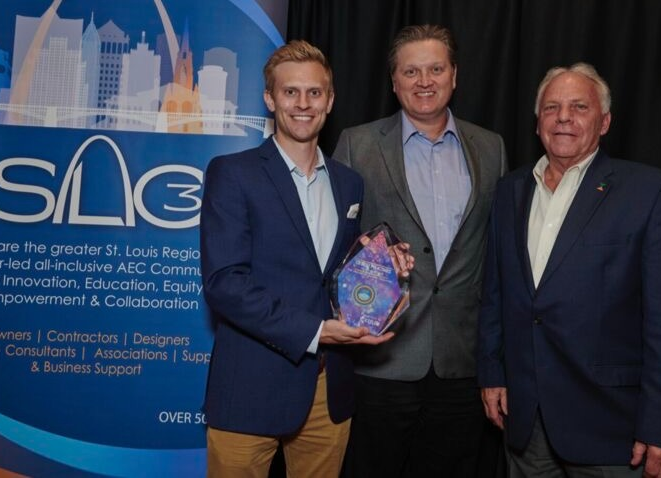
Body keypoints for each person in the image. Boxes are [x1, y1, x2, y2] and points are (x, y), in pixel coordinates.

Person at [477, 62, 661, 477]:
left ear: (605, 122)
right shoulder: (510, 190)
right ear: (537, 122)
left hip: (613, 428)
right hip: (527, 421)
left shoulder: (652, 193)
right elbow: (497, 292)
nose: (563, 117)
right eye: (551, 108)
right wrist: (492, 372)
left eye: (579, 107)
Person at [200, 40, 412, 478]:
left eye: (314, 93)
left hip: (328, 391)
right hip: (250, 387)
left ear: (330, 100)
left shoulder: (348, 183)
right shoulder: (232, 173)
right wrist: (316, 331)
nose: (302, 104)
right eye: (290, 92)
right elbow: (225, 282)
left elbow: (335, 274)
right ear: (269, 98)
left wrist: (382, 264)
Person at [333, 24, 508, 477]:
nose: (424, 81)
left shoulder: (491, 148)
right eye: (410, 71)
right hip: (383, 354)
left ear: (454, 75)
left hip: (461, 360)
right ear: (393, 81)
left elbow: (497, 254)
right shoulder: (357, 143)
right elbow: (332, 245)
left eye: (435, 68)